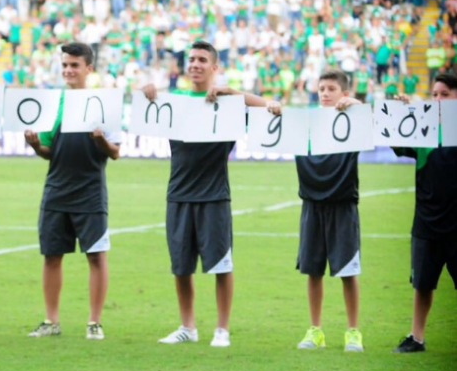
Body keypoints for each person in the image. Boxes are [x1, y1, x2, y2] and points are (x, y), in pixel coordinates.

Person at [143, 41, 273, 348]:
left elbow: (269, 107)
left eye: (202, 60)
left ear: (214, 67)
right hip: (178, 195)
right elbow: (145, 112)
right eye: (191, 59)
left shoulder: (228, 104)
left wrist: (232, 93)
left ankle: (221, 329)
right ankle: (187, 326)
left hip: (214, 196)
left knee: (222, 264)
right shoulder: (174, 102)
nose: (195, 64)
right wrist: (148, 94)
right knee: (181, 266)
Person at [24, 42, 121, 340]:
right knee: (51, 255)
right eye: (65, 65)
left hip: (90, 191)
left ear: (88, 69)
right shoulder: (54, 103)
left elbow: (115, 152)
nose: (68, 70)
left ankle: (94, 322)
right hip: (56, 190)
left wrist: (101, 140)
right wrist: (35, 145)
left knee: (95, 255)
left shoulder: (104, 102)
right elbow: (48, 151)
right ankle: (51, 321)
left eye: (74, 65)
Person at [268, 68, 365, 352]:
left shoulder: (354, 120)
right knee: (313, 271)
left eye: (331, 89)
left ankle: (353, 331)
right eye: (321, 89)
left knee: (348, 272)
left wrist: (357, 105)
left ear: (343, 93)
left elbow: (376, 121)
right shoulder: (306, 122)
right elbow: (276, 123)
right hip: (311, 205)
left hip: (343, 205)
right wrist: (273, 108)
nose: (325, 93)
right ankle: (316, 330)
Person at [392, 73, 457, 353]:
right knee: (422, 284)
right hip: (426, 224)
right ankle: (416, 338)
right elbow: (397, 141)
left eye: (445, 95)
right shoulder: (423, 129)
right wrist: (400, 112)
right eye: (434, 95)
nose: (438, 100)